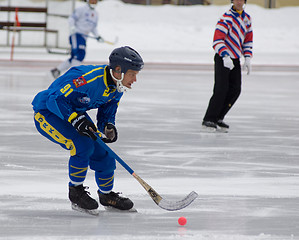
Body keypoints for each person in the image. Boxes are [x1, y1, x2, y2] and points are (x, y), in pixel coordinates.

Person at [32, 46, 144, 214]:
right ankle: (75, 191)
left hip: (75, 114)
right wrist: (75, 119)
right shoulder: (86, 79)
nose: (135, 79)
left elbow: (107, 111)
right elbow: (54, 99)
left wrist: (108, 126)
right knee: (82, 145)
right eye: (132, 74)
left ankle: (107, 196)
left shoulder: (117, 87)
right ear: (118, 70)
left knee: (105, 154)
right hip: (49, 112)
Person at [202, 0, 253, 132]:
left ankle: (219, 117)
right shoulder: (226, 18)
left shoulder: (247, 19)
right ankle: (209, 119)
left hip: (235, 58)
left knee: (235, 89)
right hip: (223, 58)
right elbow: (217, 40)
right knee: (221, 89)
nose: (239, 1)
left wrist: (247, 57)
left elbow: (248, 40)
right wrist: (224, 55)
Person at [51, 0, 103, 79]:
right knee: (80, 54)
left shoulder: (96, 14)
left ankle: (57, 70)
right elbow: (71, 18)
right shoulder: (81, 9)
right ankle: (73, 75)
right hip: (77, 35)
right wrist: (72, 27)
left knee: (74, 57)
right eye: (92, 1)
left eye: (95, 1)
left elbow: (93, 27)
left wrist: (97, 36)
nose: (94, 2)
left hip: (84, 37)